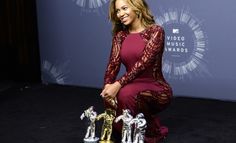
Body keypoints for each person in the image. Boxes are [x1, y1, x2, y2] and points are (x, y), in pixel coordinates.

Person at [100, 0, 173, 142]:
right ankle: (140, 126)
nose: (120, 14)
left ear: (137, 7)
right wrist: (108, 85)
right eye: (117, 11)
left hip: (157, 88)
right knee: (112, 94)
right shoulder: (120, 36)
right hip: (129, 83)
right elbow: (113, 64)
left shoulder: (156, 31)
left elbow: (143, 64)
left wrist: (118, 84)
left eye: (124, 8)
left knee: (125, 94)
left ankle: (144, 133)